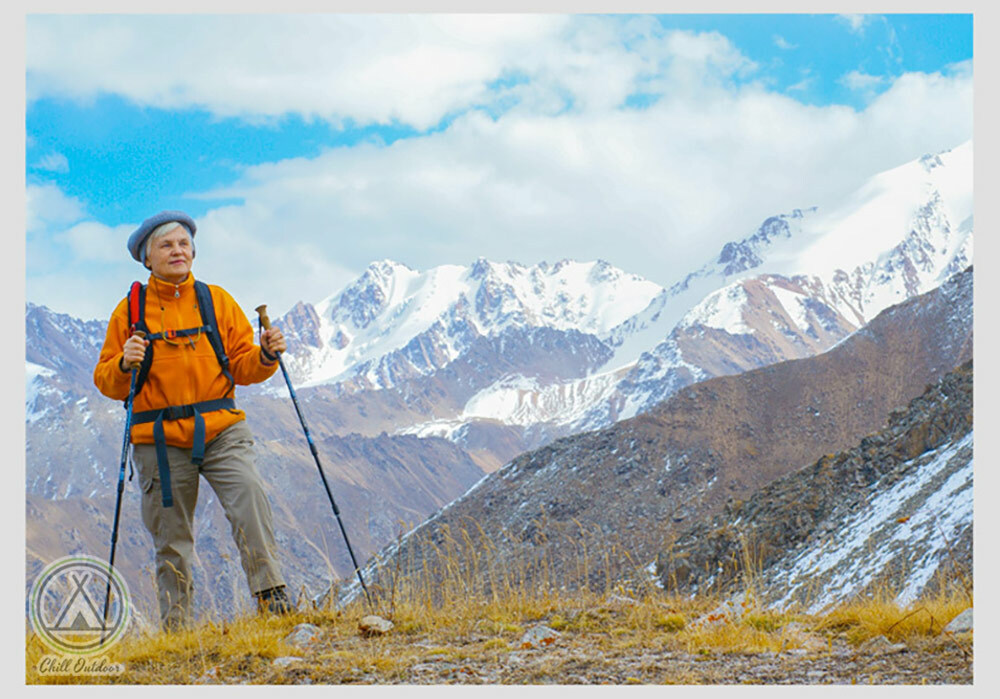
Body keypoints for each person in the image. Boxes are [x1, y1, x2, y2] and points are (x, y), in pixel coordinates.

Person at [93, 210, 292, 629]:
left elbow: (242, 366)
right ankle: (178, 629)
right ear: (148, 259)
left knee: (250, 500)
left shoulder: (216, 300)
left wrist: (267, 355)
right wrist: (124, 365)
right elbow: (107, 381)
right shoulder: (128, 313)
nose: (177, 251)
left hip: (222, 429)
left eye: (183, 244)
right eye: (166, 245)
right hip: (158, 441)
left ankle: (273, 601)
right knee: (171, 538)